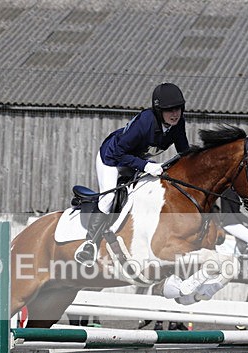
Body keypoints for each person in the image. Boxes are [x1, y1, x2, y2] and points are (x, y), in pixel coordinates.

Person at [75, 82, 190, 265]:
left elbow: (185, 152)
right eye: (169, 110)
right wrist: (145, 166)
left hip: (135, 159)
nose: (175, 114)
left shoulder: (178, 123)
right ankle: (89, 244)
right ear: (159, 110)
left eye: (178, 109)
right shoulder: (145, 123)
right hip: (112, 157)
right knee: (108, 198)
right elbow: (119, 153)